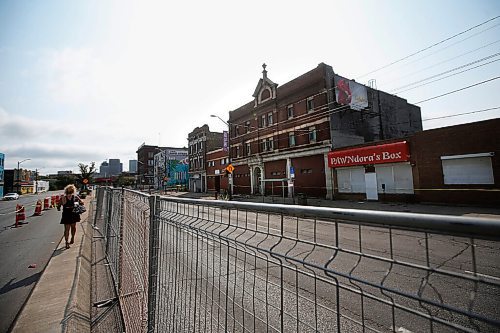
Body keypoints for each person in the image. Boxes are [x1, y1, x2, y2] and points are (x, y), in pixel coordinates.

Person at [57, 184, 84, 249]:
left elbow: (58, 206)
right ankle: (72, 238)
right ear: (73, 191)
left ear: (66, 191)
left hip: (66, 214)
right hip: (74, 214)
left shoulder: (63, 198)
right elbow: (82, 203)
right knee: (73, 227)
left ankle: (67, 242)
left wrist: (60, 207)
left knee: (66, 229)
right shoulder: (75, 197)